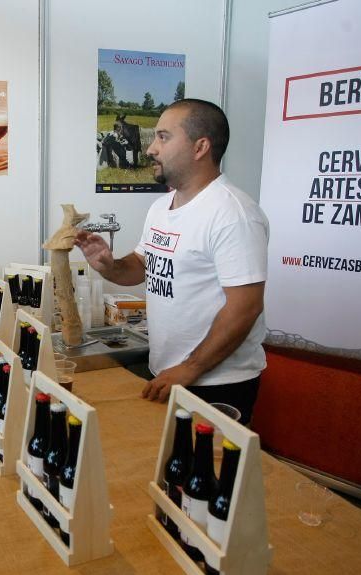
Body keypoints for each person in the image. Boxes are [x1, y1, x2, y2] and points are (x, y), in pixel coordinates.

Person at [76, 99, 268, 424]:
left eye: (163, 137)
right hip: (169, 373)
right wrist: (110, 265)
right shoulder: (161, 207)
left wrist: (190, 368)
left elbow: (246, 307)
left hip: (215, 383)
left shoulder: (233, 214)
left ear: (200, 147)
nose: (151, 148)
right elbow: (142, 264)